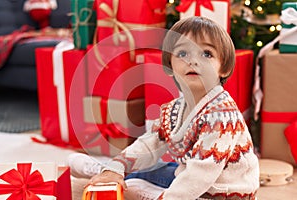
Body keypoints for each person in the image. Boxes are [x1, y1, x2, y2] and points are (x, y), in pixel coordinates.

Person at [68, 16, 259, 199]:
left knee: (138, 183)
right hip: (190, 178)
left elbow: (200, 173)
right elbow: (149, 144)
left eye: (206, 54)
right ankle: (109, 170)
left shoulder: (222, 116)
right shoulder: (176, 108)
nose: (192, 61)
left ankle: (137, 188)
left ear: (223, 68)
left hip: (223, 193)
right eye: (183, 53)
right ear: (170, 66)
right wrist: (117, 167)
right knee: (152, 167)